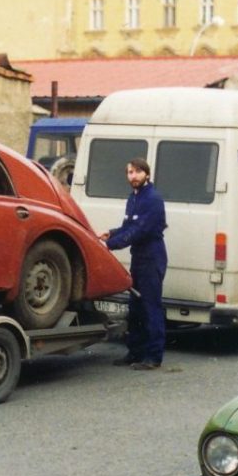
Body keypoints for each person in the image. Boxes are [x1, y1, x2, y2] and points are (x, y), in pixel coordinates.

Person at [100, 157, 168, 370]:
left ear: (146, 174)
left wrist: (111, 244)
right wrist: (110, 233)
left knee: (150, 307)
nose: (133, 176)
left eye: (138, 172)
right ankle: (135, 353)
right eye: (130, 172)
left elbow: (140, 230)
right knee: (135, 308)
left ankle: (153, 357)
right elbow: (128, 226)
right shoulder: (134, 198)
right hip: (138, 257)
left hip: (152, 256)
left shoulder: (153, 199)